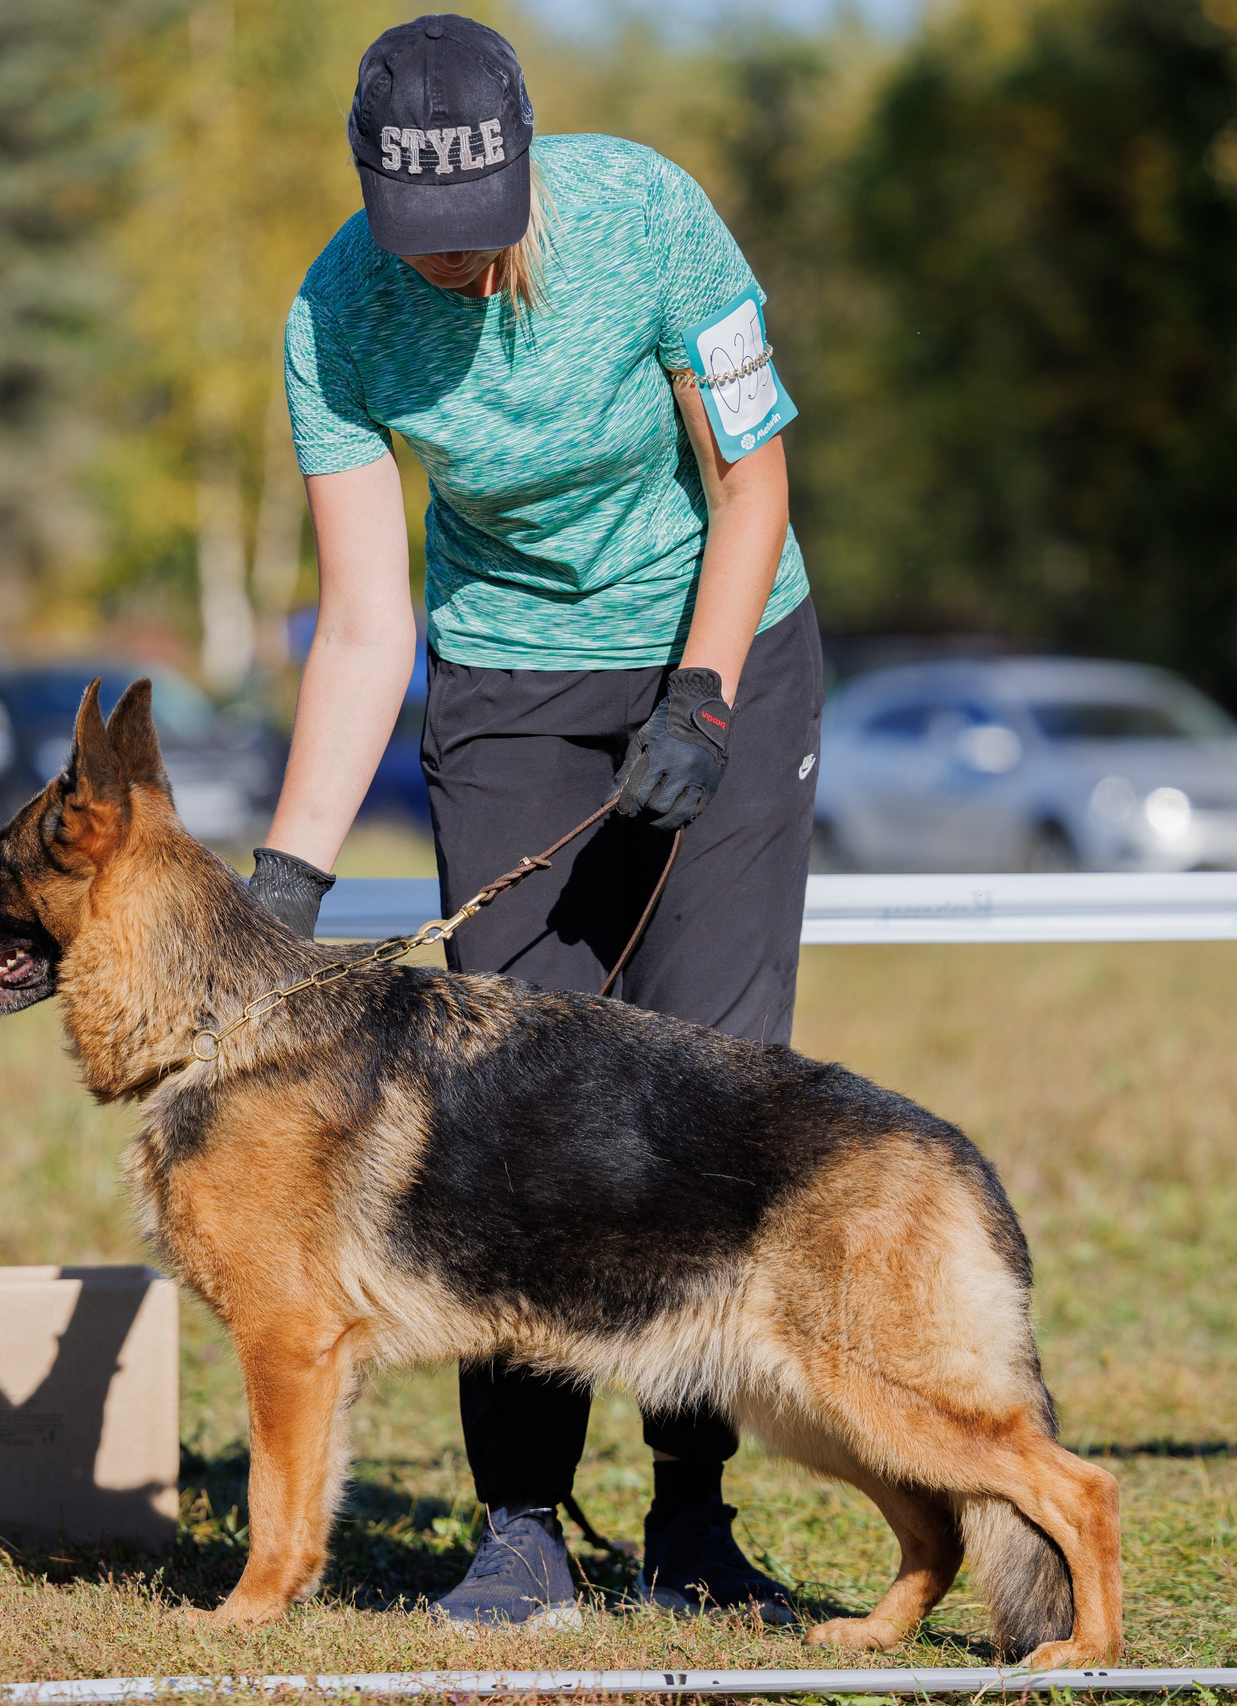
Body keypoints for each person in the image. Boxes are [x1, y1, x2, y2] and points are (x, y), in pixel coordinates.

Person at [250, 13, 821, 1630]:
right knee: (500, 1102)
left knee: (703, 1089)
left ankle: (694, 1522)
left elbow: (753, 482)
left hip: (724, 635)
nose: (455, 267)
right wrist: (284, 881)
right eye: (420, 240)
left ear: (526, 166)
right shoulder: (334, 314)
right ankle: (518, 1526)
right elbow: (365, 622)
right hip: (505, 666)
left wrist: (700, 702)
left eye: (481, 231)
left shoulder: (646, 213)